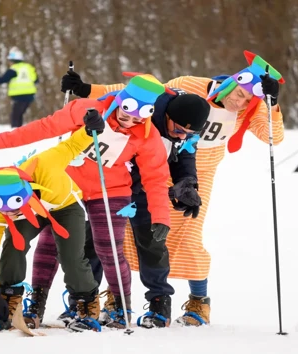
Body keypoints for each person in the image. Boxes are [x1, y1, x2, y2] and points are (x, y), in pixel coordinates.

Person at [61, 50, 285, 326]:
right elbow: (138, 92)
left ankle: (198, 302)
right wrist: (86, 90)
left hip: (194, 175)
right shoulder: (191, 85)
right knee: (128, 235)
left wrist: (272, 104)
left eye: (249, 100)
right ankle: (113, 296)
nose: (240, 103)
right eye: (239, 94)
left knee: (186, 238)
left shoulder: (253, 109)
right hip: (150, 167)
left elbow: (273, 135)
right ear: (231, 82)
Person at [0, 72, 172, 329]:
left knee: (108, 247)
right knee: (49, 242)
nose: (131, 119)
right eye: (127, 109)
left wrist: (160, 217)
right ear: (121, 99)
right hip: (69, 186)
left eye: (141, 114)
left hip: (110, 189)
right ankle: (36, 303)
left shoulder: (147, 135)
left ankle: (119, 307)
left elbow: (155, 177)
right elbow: (44, 127)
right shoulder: (87, 109)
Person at [61, 72, 212, 328]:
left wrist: (187, 183)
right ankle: (85, 302)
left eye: (190, 133)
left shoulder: (187, 126)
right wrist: (85, 89)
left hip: (146, 186)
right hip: (111, 183)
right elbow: (119, 92)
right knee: (96, 242)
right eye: (178, 129)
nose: (182, 135)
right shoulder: (146, 108)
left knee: (153, 242)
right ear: (165, 116)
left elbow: (185, 153)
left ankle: (159, 304)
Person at [0, 112, 106, 333]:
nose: (11, 214)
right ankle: (8, 299)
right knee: (14, 244)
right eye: (8, 211)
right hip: (32, 212)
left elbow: (73, 146)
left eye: (15, 208)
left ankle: (86, 301)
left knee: (71, 256)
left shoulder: (46, 164)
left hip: (64, 206)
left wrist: (90, 129)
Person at [0, 47, 39, 128]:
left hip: (19, 95)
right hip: (30, 95)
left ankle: (15, 132)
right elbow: (36, 80)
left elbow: (2, 80)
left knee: (15, 115)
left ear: (13, 60)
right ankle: (18, 131)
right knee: (19, 114)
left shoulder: (13, 69)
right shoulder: (29, 67)